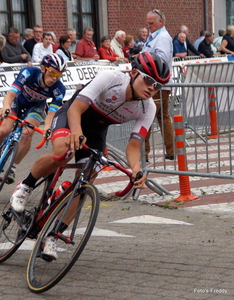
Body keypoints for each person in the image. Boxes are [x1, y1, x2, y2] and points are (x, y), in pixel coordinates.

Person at [9, 52, 170, 259]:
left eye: (158, 86)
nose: (152, 88)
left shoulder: (148, 108)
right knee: (63, 153)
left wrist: (137, 170)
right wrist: (76, 132)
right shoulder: (111, 79)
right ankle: (25, 186)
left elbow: (133, 146)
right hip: (73, 116)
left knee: (87, 182)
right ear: (134, 72)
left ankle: (53, 235)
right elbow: (76, 108)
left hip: (96, 132)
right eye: (149, 80)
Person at [0, 54, 67, 182]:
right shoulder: (28, 73)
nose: (55, 78)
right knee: (4, 131)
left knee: (28, 133)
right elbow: (10, 95)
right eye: (53, 73)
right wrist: (6, 106)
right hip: (18, 102)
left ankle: (12, 167)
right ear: (43, 68)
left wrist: (48, 127)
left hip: (36, 107)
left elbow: (51, 114)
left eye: (59, 75)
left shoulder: (59, 89)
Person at [141, 9, 174, 161]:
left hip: (157, 84)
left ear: (161, 22)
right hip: (159, 83)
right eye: (147, 23)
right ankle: (170, 150)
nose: (148, 26)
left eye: (151, 23)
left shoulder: (162, 37)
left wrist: (144, 58)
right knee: (162, 117)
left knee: (148, 116)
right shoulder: (155, 36)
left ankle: (144, 152)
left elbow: (160, 59)